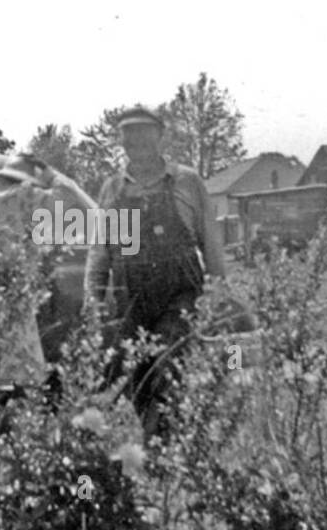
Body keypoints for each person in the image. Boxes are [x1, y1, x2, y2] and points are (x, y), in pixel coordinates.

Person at [83, 107, 227, 438]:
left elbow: (211, 242)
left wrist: (219, 295)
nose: (137, 141)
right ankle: (161, 443)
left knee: (167, 363)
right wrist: (92, 296)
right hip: (129, 296)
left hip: (180, 293)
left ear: (160, 136)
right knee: (137, 376)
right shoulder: (114, 189)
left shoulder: (187, 182)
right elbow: (102, 249)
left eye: (144, 133)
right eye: (129, 134)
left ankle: (164, 448)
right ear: (122, 141)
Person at [0, 152, 93, 392]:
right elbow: (75, 200)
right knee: (23, 375)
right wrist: (50, 174)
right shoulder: (24, 197)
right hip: (13, 296)